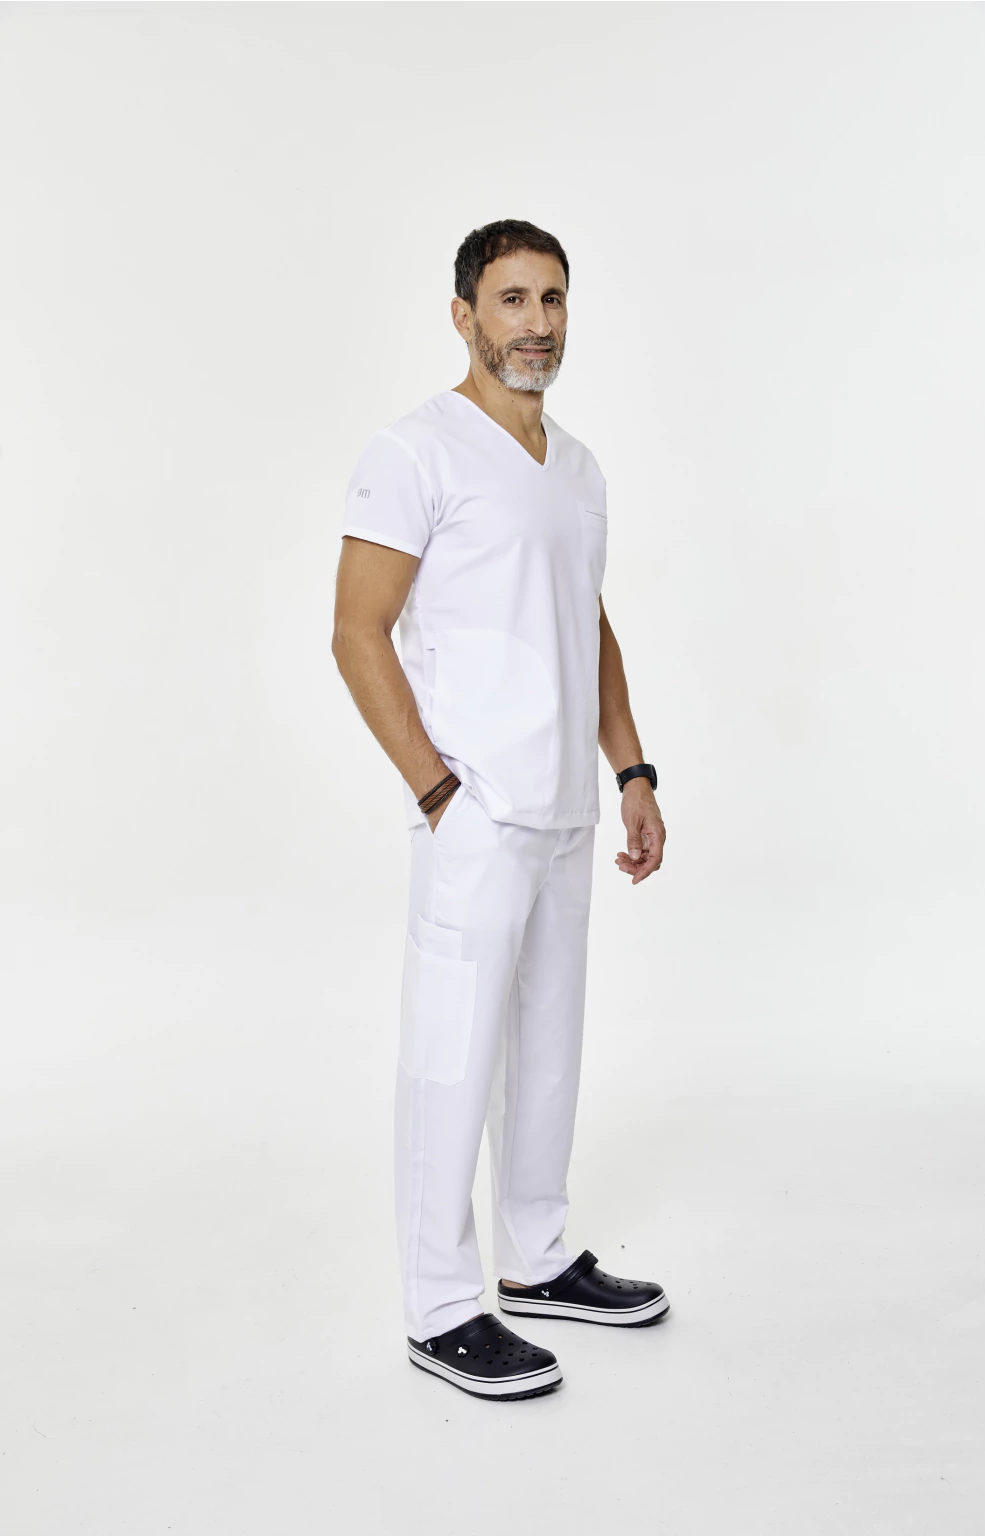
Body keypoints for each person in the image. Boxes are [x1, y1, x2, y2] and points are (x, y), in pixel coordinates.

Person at [331, 219, 668, 1401]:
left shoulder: (577, 468)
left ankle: (535, 1256)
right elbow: (356, 630)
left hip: (567, 808)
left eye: (553, 299)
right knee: (451, 1055)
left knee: (548, 1047)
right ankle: (438, 1308)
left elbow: (587, 620)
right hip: (473, 809)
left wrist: (631, 771)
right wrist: (437, 790)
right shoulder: (414, 451)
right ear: (464, 314)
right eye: (512, 299)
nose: (536, 323)